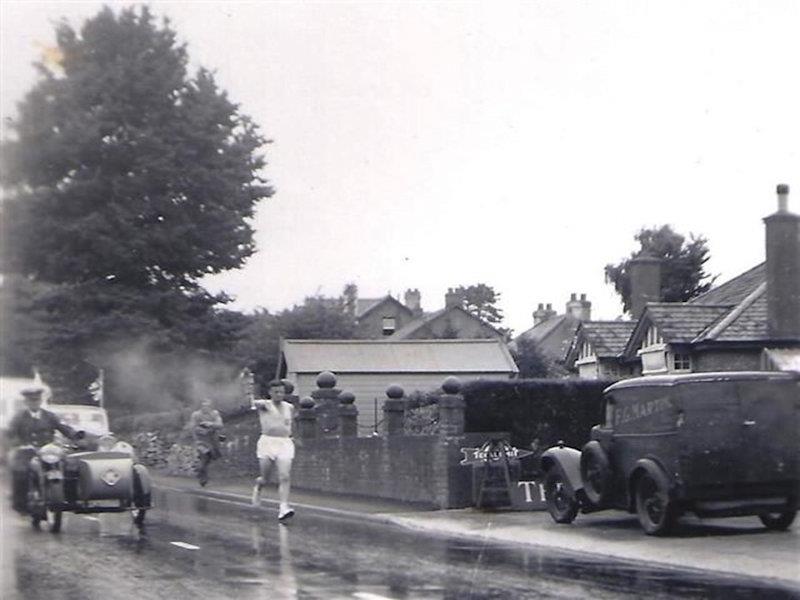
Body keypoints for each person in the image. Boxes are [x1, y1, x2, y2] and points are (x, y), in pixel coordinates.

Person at [7, 387, 81, 513]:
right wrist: (18, 444)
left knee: (70, 468)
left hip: (48, 451)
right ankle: (21, 505)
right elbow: (11, 433)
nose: (34, 403)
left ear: (41, 401)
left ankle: (71, 500)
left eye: (36, 400)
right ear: (26, 402)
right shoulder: (19, 417)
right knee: (21, 472)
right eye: (31, 401)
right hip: (27, 451)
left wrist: (75, 435)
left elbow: (62, 427)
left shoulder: (49, 416)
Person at [251, 380, 297, 521]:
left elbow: (291, 424)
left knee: (284, 476)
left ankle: (283, 507)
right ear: (270, 393)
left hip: (284, 443)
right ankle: (259, 487)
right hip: (267, 442)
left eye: (281, 392)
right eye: (276, 392)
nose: (279, 395)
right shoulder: (264, 405)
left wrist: (292, 436)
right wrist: (250, 388)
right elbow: (253, 402)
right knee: (266, 478)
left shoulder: (289, 407)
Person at [188, 399, 224, 487]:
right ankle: (202, 477)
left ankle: (200, 471)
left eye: (208, 406)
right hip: (201, 441)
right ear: (201, 406)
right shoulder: (196, 415)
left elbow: (220, 425)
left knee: (209, 458)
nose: (206, 407)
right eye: (204, 405)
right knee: (204, 458)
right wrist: (200, 432)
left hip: (213, 440)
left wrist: (210, 424)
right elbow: (192, 427)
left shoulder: (215, 414)